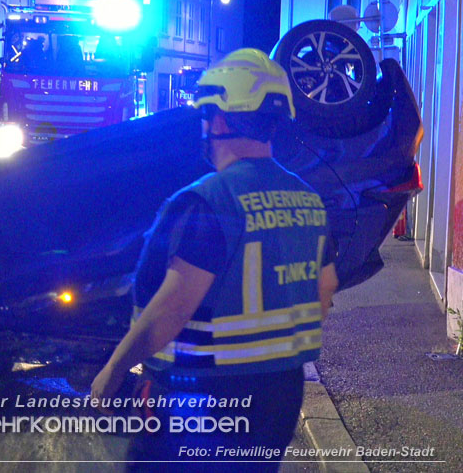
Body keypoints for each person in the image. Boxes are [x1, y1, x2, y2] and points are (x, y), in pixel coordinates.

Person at [90, 49, 339, 472]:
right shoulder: (308, 199)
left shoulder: (211, 200)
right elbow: (325, 291)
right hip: (280, 394)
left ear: (219, 120)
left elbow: (171, 310)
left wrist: (112, 372)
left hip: (202, 397)